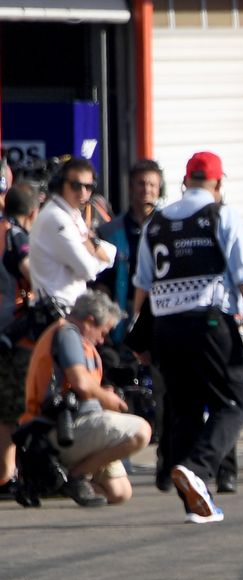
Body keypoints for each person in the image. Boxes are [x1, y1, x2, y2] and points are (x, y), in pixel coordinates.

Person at [133, 151, 243, 523]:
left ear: (184, 181)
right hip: (209, 321)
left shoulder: (156, 222)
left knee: (185, 409)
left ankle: (196, 500)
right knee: (236, 401)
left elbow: (142, 286)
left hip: (165, 327)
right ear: (219, 183)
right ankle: (199, 467)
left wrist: (141, 338)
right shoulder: (221, 214)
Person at [21, 290, 151, 506]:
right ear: (90, 320)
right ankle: (74, 476)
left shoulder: (70, 336)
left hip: (75, 425)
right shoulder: (68, 334)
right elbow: (80, 383)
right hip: (58, 431)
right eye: (103, 331)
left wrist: (100, 394)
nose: (102, 339)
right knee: (141, 431)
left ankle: (53, 482)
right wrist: (106, 399)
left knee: (119, 493)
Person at [28, 157, 116, 308]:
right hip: (55, 312)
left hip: (71, 309)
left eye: (88, 187)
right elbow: (87, 270)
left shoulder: (71, 213)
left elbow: (112, 253)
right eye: (76, 185)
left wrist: (92, 248)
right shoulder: (56, 217)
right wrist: (96, 254)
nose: (83, 192)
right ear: (61, 184)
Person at [0, 182, 40, 498]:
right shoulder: (16, 235)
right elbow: (30, 270)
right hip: (11, 329)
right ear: (33, 212)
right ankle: (6, 476)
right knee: (11, 409)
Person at [96, 160, 163, 342]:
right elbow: (103, 282)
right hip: (122, 314)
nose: (146, 189)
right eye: (141, 183)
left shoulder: (168, 228)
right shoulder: (109, 231)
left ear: (159, 189)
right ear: (131, 187)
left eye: (152, 184)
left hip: (159, 313)